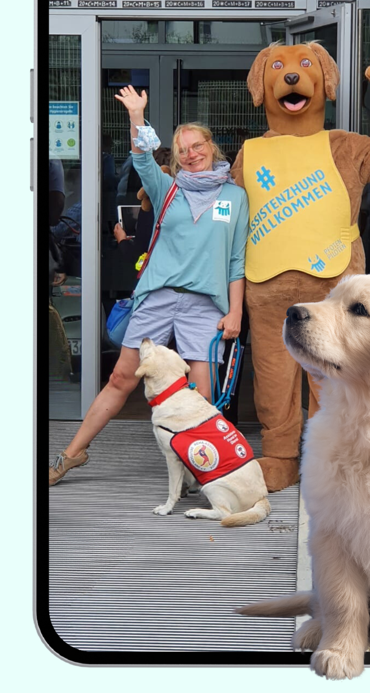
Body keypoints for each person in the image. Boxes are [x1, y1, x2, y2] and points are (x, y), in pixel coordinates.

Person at [49, 86, 249, 485]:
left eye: (197, 145)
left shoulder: (235, 198)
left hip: (205, 306)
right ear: (175, 158)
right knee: (121, 378)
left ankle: (200, 469)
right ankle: (71, 455)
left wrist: (235, 311)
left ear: (211, 146)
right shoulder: (167, 188)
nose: (191, 153)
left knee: (202, 395)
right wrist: (137, 116)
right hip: (157, 298)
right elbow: (141, 158)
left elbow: (235, 262)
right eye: (183, 150)